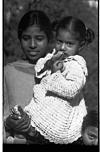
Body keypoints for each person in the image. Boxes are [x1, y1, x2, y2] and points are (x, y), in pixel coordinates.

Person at [5, 16, 95, 144]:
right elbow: (39, 70)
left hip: (61, 114)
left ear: (80, 46)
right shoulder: (53, 57)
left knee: (49, 132)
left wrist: (56, 73)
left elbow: (71, 90)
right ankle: (21, 127)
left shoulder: (76, 65)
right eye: (59, 41)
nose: (62, 47)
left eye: (69, 44)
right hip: (44, 107)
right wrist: (49, 64)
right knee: (29, 121)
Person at [3, 10, 54, 144]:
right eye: (26, 38)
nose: (32, 45)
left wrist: (33, 129)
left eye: (39, 39)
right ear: (20, 39)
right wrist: (8, 123)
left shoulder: (58, 74)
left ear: (49, 39)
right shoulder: (8, 72)